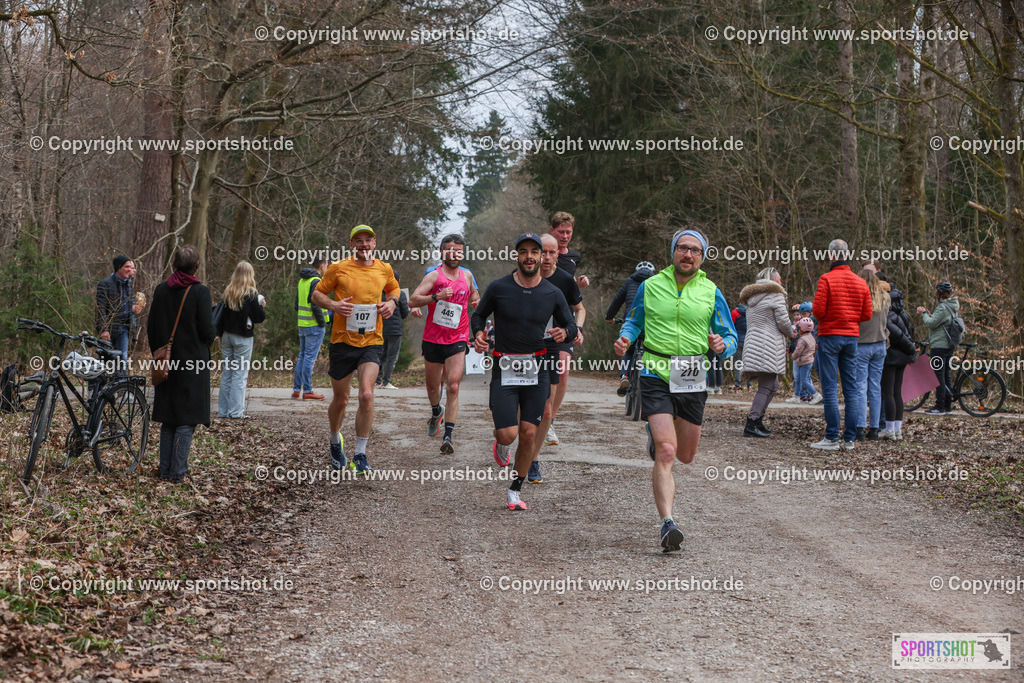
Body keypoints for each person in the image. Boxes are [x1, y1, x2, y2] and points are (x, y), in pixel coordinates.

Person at [615, 229, 737, 552]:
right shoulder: (651, 286)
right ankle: (668, 523)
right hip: (655, 370)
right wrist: (626, 338)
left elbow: (730, 336)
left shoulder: (712, 292)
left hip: (692, 375)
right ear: (672, 252)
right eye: (683, 248)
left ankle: (658, 436)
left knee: (685, 455)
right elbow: (634, 321)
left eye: (695, 250)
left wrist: (723, 345)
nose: (688, 254)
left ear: (702, 257)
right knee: (667, 451)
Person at [470, 233, 577, 512]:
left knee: (529, 433)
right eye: (524, 251)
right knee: (508, 434)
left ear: (542, 257)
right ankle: (500, 441)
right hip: (505, 366)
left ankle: (515, 490)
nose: (529, 257)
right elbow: (478, 315)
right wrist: (478, 334)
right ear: (516, 256)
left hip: (537, 368)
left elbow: (571, 325)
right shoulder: (499, 287)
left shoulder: (552, 292)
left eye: (534, 252)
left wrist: (565, 332)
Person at [310, 225, 400, 474]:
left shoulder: (384, 268)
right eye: (358, 240)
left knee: (367, 395)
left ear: (374, 243)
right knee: (341, 400)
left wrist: (392, 303)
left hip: (372, 341)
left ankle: (360, 454)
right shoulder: (338, 268)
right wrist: (333, 305)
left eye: (368, 239)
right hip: (342, 342)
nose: (363, 244)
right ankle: (334, 440)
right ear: (351, 245)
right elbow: (317, 294)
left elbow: (394, 289)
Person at [147, 245, 216, 482]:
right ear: (197, 266)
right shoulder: (200, 292)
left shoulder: (161, 290)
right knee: (187, 419)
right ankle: (177, 473)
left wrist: (159, 353)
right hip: (193, 364)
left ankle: (166, 471)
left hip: (165, 364)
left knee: (169, 419)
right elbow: (207, 331)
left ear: (174, 264)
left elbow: (151, 327)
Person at [409, 234, 480, 454]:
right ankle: (435, 411)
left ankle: (448, 436)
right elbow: (413, 300)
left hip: (458, 337)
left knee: (453, 386)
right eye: (450, 250)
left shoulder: (467, 275)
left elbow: (474, 294)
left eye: (459, 251)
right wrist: (436, 297)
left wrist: (476, 300)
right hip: (433, 338)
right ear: (442, 252)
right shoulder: (433, 275)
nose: (455, 254)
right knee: (433, 387)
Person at [528, 234, 586, 483]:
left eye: (553, 253)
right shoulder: (521, 276)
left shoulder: (564, 280)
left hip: (556, 339)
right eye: (544, 252)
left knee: (546, 407)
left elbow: (580, 309)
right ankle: (511, 437)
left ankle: (533, 458)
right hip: (524, 345)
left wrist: (577, 329)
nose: (548, 258)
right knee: (521, 407)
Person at [809, 239, 873, 450]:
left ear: (831, 255)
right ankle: (850, 439)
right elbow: (867, 314)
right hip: (851, 338)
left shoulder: (826, 279)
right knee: (851, 388)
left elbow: (818, 311)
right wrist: (850, 319)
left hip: (830, 336)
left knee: (829, 388)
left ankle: (831, 437)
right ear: (846, 255)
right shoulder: (860, 282)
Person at [738, 267, 791, 438]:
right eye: (780, 280)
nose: (781, 283)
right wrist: (793, 333)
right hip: (768, 344)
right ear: (773, 280)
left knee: (773, 385)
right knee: (767, 386)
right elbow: (783, 322)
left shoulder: (752, 297)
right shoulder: (775, 295)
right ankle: (752, 422)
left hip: (753, 342)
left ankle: (758, 419)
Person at [216, 261, 266, 419]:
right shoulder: (251, 293)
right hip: (243, 337)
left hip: (227, 336)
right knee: (240, 374)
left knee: (227, 373)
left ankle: (223, 411)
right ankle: (236, 412)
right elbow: (259, 317)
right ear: (250, 275)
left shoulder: (228, 291)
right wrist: (261, 306)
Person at [606, 261, 655, 396]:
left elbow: (617, 300)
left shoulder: (630, 282)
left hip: (631, 321)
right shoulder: (657, 283)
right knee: (650, 350)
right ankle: (650, 377)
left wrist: (610, 317)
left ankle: (625, 376)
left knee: (627, 348)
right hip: (649, 324)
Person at [854, 267, 890, 440]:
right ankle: (874, 428)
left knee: (861, 387)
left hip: (862, 344)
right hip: (880, 344)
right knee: (875, 387)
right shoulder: (885, 297)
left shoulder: (859, 297)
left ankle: (860, 427)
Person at [917, 281, 960, 415]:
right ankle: (947, 406)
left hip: (939, 346)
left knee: (938, 376)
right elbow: (940, 322)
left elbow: (931, 324)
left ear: (940, 293)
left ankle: (939, 406)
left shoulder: (942, 308)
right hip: (949, 346)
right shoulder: (952, 305)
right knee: (946, 374)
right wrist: (930, 315)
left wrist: (924, 313)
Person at [96, 255, 143, 367]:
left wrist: (134, 307)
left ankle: (120, 379)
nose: (130, 270)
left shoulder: (128, 283)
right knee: (104, 361)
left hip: (125, 328)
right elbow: (100, 309)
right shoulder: (105, 284)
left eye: (131, 267)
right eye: (127, 267)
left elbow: (127, 303)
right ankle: (100, 379)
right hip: (110, 328)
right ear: (118, 267)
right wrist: (104, 330)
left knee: (123, 359)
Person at [293, 257, 329, 400]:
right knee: (309, 358)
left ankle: (297, 389)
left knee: (303, 356)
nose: (327, 268)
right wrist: (322, 323)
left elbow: (296, 304)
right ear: (322, 265)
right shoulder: (317, 281)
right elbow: (315, 304)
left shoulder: (302, 281)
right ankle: (307, 390)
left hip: (303, 324)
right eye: (327, 265)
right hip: (314, 326)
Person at [881, 288, 916, 439]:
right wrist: (910, 350)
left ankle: (890, 430)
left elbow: (896, 335)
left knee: (888, 393)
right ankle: (897, 429)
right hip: (902, 357)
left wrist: (910, 348)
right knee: (897, 392)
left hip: (892, 356)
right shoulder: (903, 315)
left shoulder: (889, 315)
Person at [377, 273, 411, 389]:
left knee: (380, 356)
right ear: (398, 281)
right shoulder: (400, 294)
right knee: (391, 358)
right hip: (395, 331)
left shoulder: (378, 293)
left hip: (380, 329)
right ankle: (386, 382)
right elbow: (405, 313)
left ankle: (377, 381)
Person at [549, 211, 589, 289]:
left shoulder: (575, 256)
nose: (565, 236)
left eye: (568, 232)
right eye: (561, 232)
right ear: (552, 230)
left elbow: (569, 284)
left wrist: (578, 284)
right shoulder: (542, 254)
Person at [792, 318, 818, 402]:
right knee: (798, 379)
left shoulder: (802, 339)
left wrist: (793, 356)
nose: (798, 330)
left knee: (804, 380)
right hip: (807, 361)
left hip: (804, 362)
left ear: (802, 328)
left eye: (799, 328)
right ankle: (796, 396)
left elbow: (798, 351)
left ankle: (816, 395)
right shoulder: (811, 337)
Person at [730, 304, 748, 388]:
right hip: (748, 340)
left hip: (738, 340)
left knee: (737, 361)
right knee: (748, 362)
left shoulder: (735, 312)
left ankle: (738, 383)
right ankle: (749, 384)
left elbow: (731, 326)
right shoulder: (751, 311)